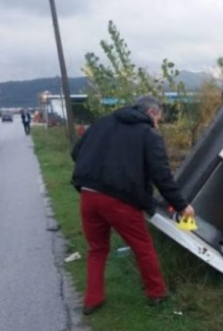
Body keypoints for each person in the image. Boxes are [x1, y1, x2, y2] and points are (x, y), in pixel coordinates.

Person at [70, 96, 195, 315]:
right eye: (158, 119)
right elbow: (162, 176)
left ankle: (92, 300)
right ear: (151, 113)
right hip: (120, 201)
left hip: (88, 195)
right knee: (143, 247)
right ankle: (157, 294)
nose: (158, 124)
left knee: (97, 249)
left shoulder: (103, 122)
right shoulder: (148, 134)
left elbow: (76, 153)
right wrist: (182, 206)